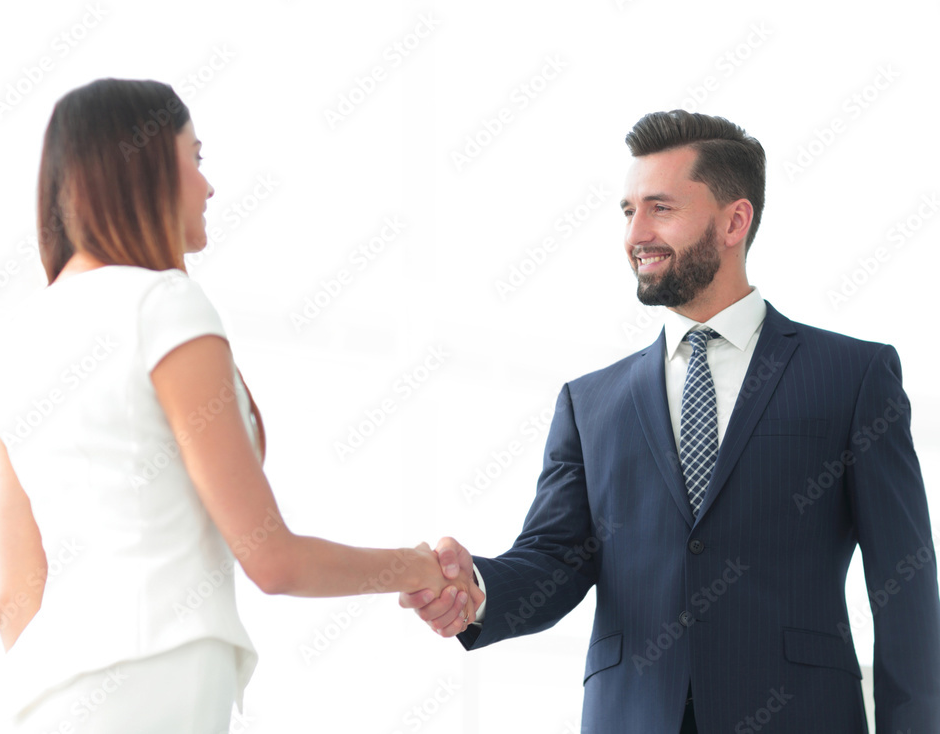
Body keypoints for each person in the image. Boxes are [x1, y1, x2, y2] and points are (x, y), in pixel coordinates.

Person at [400, 110, 940, 732]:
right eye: (628, 211)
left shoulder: (852, 375)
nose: (637, 234)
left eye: (660, 208)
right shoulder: (590, 402)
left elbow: (904, 586)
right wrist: (476, 589)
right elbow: (554, 559)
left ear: (735, 220)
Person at [0, 78, 483, 733]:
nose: (209, 186)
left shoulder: (13, 342)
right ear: (146, 169)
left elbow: (12, 603)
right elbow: (271, 559)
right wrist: (420, 568)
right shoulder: (160, 306)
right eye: (194, 159)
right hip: (157, 674)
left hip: (42, 695)